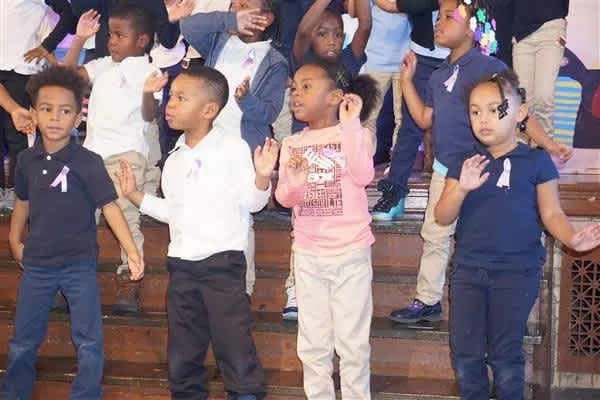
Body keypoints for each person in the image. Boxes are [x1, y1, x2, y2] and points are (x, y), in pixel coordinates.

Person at [388, 0, 574, 324]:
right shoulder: (438, 75)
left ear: (472, 28)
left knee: (482, 233)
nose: (439, 22)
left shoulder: (490, 67)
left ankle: (498, 303)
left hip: (481, 168)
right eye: (439, 16)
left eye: (449, 16)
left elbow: (518, 113)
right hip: (446, 168)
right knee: (435, 233)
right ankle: (428, 299)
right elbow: (424, 118)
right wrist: (406, 81)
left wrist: (549, 144)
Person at [437, 69, 600, 400]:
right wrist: (461, 189)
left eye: (495, 109)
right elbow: (442, 216)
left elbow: (552, 213)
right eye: (475, 111)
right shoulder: (466, 161)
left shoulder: (537, 161)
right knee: (466, 354)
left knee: (505, 355)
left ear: (520, 112)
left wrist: (571, 237)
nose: (484, 119)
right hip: (469, 271)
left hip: (517, 272)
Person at [116, 65, 278, 400]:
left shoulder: (231, 147)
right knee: (183, 351)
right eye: (171, 96)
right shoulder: (175, 157)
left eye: (181, 98)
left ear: (208, 110)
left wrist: (262, 177)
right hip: (182, 266)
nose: (170, 104)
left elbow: (252, 202)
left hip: (222, 265)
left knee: (233, 346)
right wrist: (135, 196)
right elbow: (174, 212)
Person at [0, 65, 143, 400]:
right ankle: (15, 393)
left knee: (89, 339)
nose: (55, 118)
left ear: (79, 118)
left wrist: (132, 251)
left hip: (79, 264)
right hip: (37, 264)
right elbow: (22, 202)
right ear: (33, 113)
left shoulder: (88, 161)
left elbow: (110, 207)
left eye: (65, 111)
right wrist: (13, 238)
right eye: (47, 109)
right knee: (22, 340)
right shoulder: (26, 160)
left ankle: (87, 394)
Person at [275, 59, 379, 399]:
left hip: (350, 252)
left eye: (307, 87)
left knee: (352, 342)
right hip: (308, 254)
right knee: (313, 342)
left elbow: (363, 175)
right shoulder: (292, 143)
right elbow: (284, 197)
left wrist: (350, 126)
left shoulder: (358, 134)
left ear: (335, 97)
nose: (296, 94)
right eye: (295, 88)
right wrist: (296, 183)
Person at [174, 0, 287, 297]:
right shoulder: (219, 40)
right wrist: (229, 20)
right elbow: (187, 26)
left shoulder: (275, 61)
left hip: (243, 151)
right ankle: (199, 278)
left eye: (245, 5)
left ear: (266, 18)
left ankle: (241, 289)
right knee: (201, 207)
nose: (237, 9)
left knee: (238, 216)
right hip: (206, 144)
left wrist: (246, 99)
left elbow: (268, 113)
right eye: (234, 4)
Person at [62, 4, 162, 313]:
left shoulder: (149, 72)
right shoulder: (103, 65)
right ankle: (67, 280)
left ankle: (130, 279)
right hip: (91, 155)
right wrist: (79, 39)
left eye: (120, 35)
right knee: (78, 217)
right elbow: (67, 78)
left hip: (126, 156)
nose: (112, 41)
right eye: (110, 35)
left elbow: (150, 114)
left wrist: (148, 92)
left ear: (142, 40)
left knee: (126, 216)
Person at [371, 0, 448, 221]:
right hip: (421, 56)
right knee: (409, 128)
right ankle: (395, 193)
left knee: (461, 124)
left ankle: (467, 194)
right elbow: (390, 4)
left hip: (462, 55)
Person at [0, 0, 76, 210]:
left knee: (17, 136)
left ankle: (17, 191)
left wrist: (47, 46)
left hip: (20, 69)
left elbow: (68, 15)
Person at [511, 0, 570, 138]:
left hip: (551, 27)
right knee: (524, 100)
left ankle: (544, 143)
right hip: (521, 33)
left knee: (544, 96)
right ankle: (524, 145)